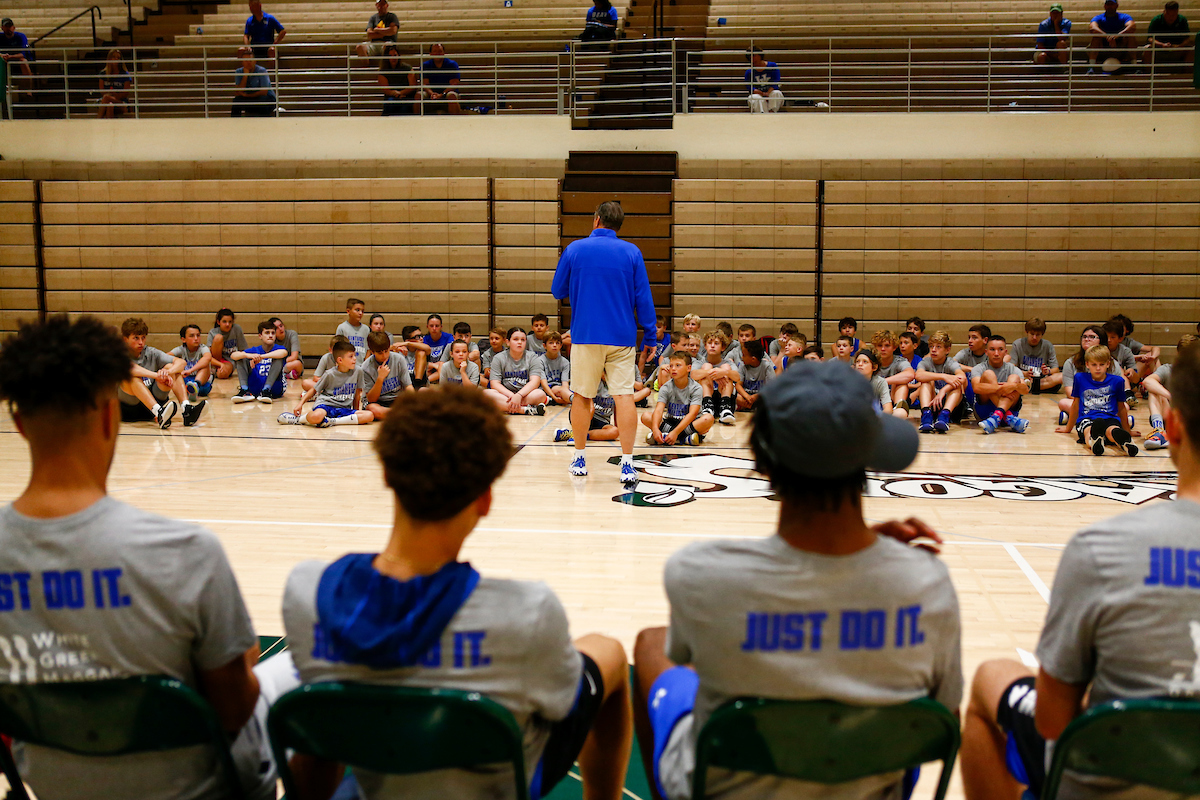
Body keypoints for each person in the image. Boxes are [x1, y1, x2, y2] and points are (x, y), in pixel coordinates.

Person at [281, 386, 632, 800]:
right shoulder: (527, 611)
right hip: (494, 781)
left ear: (388, 475)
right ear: (485, 500)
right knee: (608, 652)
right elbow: (556, 707)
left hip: (378, 766)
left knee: (329, 714)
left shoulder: (305, 591)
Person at [632, 360, 961, 800]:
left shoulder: (699, 573)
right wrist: (870, 553)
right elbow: (942, 717)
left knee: (654, 644)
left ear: (766, 464)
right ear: (871, 455)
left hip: (727, 786)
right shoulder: (927, 581)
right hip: (870, 783)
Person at [0, 314, 279, 800]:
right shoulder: (186, 553)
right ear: (112, 414)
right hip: (196, 788)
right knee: (292, 676)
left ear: (19, 422)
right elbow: (234, 710)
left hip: (51, 784)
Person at [960, 341, 1200, 800]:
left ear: (1171, 427)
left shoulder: (1101, 549)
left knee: (992, 676)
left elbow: (1053, 719)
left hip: (1115, 771)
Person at [552, 200, 657, 485]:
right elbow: (643, 298)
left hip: (585, 335)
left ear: (596, 219)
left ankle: (580, 456)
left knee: (583, 396)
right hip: (622, 337)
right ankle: (627, 463)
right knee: (623, 397)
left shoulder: (575, 249)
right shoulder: (631, 252)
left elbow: (557, 290)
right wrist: (650, 336)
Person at [117, 317, 207, 429]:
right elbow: (129, 368)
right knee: (132, 378)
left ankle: (186, 410)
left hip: (149, 409)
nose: (141, 342)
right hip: (128, 410)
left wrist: (168, 372)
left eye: (143, 338)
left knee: (172, 367)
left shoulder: (151, 352)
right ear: (125, 339)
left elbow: (181, 362)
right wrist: (157, 375)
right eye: (136, 338)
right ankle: (159, 412)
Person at [1059, 344, 1139, 456]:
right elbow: (1076, 404)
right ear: (1087, 364)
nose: (1097, 368)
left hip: (1109, 417)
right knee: (1089, 429)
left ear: (1108, 364)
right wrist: (1068, 428)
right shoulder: (1080, 378)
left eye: (1101, 364)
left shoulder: (1117, 381)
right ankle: (1096, 441)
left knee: (1112, 429)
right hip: (1087, 417)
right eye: (1094, 364)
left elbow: (1121, 408)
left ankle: (1123, 442)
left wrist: (1127, 431)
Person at [279, 340, 373, 427]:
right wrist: (300, 404)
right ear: (340, 360)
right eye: (351, 356)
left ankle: (331, 422)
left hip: (344, 408)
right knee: (316, 416)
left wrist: (355, 411)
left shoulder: (358, 371)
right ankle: (298, 419)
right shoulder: (329, 374)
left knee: (369, 415)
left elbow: (357, 393)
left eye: (355, 355)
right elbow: (314, 390)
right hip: (326, 405)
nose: (355, 359)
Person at [641, 352, 713, 446]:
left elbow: (693, 413)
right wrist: (655, 429)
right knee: (645, 416)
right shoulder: (665, 387)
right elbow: (658, 410)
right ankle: (685, 438)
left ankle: (669, 437)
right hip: (670, 422)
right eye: (671, 366)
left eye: (678, 365)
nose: (673, 369)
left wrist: (675, 432)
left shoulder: (696, 388)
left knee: (708, 418)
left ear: (688, 368)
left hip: (690, 423)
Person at [1143, 334, 1198, 449]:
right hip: (1172, 416)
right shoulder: (1168, 369)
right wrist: (1171, 396)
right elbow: (1147, 382)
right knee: (1155, 391)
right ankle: (1159, 432)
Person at [973, 335, 1032, 434]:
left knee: (1015, 378)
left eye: (1000, 349)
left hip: (1011, 408)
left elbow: (1025, 390)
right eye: (992, 349)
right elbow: (976, 387)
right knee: (988, 374)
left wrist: (1014, 386)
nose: (996, 353)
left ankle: (997, 416)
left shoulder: (1013, 369)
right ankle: (1007, 416)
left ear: (1005, 352)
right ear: (986, 352)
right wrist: (1002, 388)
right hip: (984, 411)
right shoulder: (978, 368)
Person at [483, 328, 548, 415]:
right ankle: (524, 410)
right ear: (508, 342)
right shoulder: (498, 358)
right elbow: (495, 384)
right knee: (485, 394)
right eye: (515, 339)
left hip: (525, 395)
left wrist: (519, 395)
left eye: (523, 340)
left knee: (540, 394)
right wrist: (512, 396)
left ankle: (507, 406)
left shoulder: (533, 357)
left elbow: (535, 381)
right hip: (505, 395)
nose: (520, 342)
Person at [915, 331, 968, 434]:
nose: (933, 350)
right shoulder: (925, 362)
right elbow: (918, 375)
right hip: (932, 403)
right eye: (931, 346)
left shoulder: (951, 362)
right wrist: (944, 376)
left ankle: (945, 415)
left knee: (956, 385)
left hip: (952, 406)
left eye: (938, 347)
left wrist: (943, 390)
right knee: (926, 382)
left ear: (947, 350)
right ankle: (926, 415)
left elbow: (962, 377)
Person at [230, 320, 287, 404]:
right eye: (267, 333)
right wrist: (248, 356)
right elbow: (233, 355)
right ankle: (245, 391)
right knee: (241, 357)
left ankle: (266, 390)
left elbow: (283, 352)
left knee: (278, 358)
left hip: (274, 388)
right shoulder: (254, 350)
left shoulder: (279, 348)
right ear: (260, 336)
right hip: (256, 386)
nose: (270, 335)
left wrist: (261, 357)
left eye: (273, 333)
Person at [363, 330, 414, 419]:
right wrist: (380, 378)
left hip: (397, 400)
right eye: (380, 353)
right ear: (372, 352)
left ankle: (397, 414)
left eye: (386, 351)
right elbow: (371, 399)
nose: (384, 355)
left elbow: (408, 386)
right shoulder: (365, 367)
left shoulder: (399, 359)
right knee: (373, 409)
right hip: (379, 402)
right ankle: (402, 414)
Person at [555, 374, 619, 443]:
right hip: (585, 414)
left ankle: (574, 434)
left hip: (603, 421)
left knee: (614, 432)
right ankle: (577, 434)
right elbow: (590, 407)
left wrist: (618, 428)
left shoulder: (616, 385)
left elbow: (617, 409)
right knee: (588, 409)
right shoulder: (592, 382)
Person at [694, 330, 739, 425]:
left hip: (722, 396)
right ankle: (707, 407)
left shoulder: (728, 362)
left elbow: (737, 377)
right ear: (705, 346)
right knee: (706, 367)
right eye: (710, 343)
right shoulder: (699, 362)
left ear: (723, 347)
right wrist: (711, 372)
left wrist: (724, 372)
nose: (713, 346)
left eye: (716, 343)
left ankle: (725, 409)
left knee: (726, 368)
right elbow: (693, 375)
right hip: (705, 398)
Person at [1011, 317, 1062, 394]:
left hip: (1041, 380)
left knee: (1062, 376)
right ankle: (1030, 386)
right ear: (1026, 332)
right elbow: (1011, 367)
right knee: (1012, 377)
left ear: (1042, 334)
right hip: (1024, 378)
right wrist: (1024, 373)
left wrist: (1047, 371)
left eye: (1038, 335)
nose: (1034, 337)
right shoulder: (1017, 344)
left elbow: (1056, 369)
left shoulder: (1048, 345)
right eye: (1032, 334)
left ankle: (1028, 387)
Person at [874, 330, 915, 418]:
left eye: (887, 345)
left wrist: (883, 382)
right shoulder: (870, 362)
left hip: (893, 398)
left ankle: (898, 407)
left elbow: (910, 374)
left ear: (894, 347)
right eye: (880, 346)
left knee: (902, 384)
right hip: (875, 399)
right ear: (875, 347)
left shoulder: (899, 361)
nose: (883, 349)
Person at [1087, 0, 1136, 72]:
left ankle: (1134, 66)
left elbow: (1132, 26)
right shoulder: (1099, 18)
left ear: (1116, 5)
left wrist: (1118, 36)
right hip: (1103, 47)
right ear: (1104, 6)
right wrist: (1107, 36)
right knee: (1096, 37)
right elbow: (1092, 28)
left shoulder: (1124, 16)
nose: (1110, 6)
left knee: (1130, 36)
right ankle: (1091, 67)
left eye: (1112, 4)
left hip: (1120, 47)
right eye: (1108, 4)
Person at [1143, 0, 1193, 65]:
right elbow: (1150, 38)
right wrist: (1162, 45)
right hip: (1159, 49)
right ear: (1164, 12)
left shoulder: (1182, 20)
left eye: (1173, 15)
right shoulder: (1156, 20)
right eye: (1168, 14)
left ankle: (1187, 74)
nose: (1171, 18)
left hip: (1177, 49)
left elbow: (1187, 38)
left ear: (1177, 12)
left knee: (1192, 51)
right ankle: (1148, 73)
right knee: (1147, 50)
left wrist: (1179, 46)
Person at [231, 46, 276, 117]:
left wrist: (247, 95)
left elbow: (264, 92)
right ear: (242, 62)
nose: (248, 63)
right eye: (246, 61)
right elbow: (238, 91)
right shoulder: (239, 71)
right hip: (250, 98)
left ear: (255, 61)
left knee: (263, 101)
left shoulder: (262, 71)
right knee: (237, 100)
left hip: (266, 98)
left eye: (250, 60)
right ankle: (234, 123)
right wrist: (245, 75)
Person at [173, 323, 214, 398]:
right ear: (183, 339)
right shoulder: (180, 349)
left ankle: (195, 385)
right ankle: (191, 391)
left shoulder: (203, 348)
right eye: (192, 336)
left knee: (205, 365)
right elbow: (165, 357)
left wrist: (190, 370)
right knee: (173, 367)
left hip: (202, 383)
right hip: (186, 380)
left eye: (198, 335)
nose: (196, 338)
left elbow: (207, 358)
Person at [420, 43, 461, 115]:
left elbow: (454, 84)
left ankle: (455, 122)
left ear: (443, 53)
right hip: (431, 93)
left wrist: (442, 94)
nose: (437, 53)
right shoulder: (425, 65)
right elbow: (424, 84)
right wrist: (432, 93)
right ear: (431, 53)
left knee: (452, 95)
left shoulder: (452, 64)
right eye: (435, 51)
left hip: (447, 93)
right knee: (419, 95)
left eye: (440, 51)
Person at [733, 339, 775, 410]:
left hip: (760, 396)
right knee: (733, 395)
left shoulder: (767, 366)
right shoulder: (742, 366)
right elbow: (738, 385)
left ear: (753, 359)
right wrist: (746, 396)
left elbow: (770, 388)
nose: (742, 358)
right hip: (746, 397)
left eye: (744, 355)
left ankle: (749, 406)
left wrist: (755, 397)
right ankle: (750, 406)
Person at [378, 43, 417, 115]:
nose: (393, 58)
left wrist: (401, 93)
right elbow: (386, 89)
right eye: (390, 56)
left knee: (404, 108)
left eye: (395, 55)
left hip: (406, 96)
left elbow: (413, 85)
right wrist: (395, 94)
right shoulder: (383, 71)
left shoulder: (407, 68)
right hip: (392, 96)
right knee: (390, 104)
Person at [209, 308, 247, 380]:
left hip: (229, 361)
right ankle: (214, 369)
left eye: (230, 322)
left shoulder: (237, 329)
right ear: (218, 322)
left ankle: (215, 372)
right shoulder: (213, 332)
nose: (227, 324)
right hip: (215, 361)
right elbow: (207, 356)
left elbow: (243, 350)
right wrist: (219, 364)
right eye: (224, 322)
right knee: (218, 338)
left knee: (222, 374)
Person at [854, 347, 894, 414]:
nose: (860, 364)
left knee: (900, 413)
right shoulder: (849, 381)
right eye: (858, 361)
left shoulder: (880, 382)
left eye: (865, 362)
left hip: (874, 417)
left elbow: (888, 408)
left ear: (874, 367)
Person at [744, 46, 784, 113]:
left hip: (771, 92)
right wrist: (761, 93)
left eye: (754, 56)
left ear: (760, 55)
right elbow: (750, 87)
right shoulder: (749, 72)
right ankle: (763, 115)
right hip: (759, 94)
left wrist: (768, 93)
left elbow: (776, 81)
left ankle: (772, 112)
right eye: (750, 57)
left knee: (776, 93)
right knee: (754, 97)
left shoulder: (772, 66)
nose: (752, 58)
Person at [0, 18, 33, 93]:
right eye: (6, 26)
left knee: (23, 61)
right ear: (2, 28)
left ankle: (28, 90)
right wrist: (2, 56)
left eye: (10, 26)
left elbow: (22, 54)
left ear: (13, 27)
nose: (8, 28)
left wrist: (10, 57)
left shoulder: (21, 36)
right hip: (4, 60)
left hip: (18, 59)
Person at [97, 49, 132, 118]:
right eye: (114, 57)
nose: (116, 59)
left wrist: (113, 95)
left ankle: (98, 120)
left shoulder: (125, 74)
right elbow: (102, 91)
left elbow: (125, 93)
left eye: (118, 58)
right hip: (106, 101)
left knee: (106, 98)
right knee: (110, 105)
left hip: (120, 102)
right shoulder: (103, 74)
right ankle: (110, 127)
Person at [541, 331, 573, 404]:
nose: (554, 345)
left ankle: (571, 399)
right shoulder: (539, 361)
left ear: (561, 346)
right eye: (551, 343)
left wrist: (563, 393)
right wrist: (554, 397)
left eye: (557, 343)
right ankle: (575, 401)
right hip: (546, 390)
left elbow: (565, 383)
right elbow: (544, 384)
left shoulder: (565, 362)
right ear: (544, 346)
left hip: (560, 390)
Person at [422, 313, 455, 383]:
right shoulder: (424, 339)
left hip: (445, 365)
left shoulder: (449, 337)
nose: (434, 328)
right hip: (431, 367)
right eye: (431, 326)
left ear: (441, 326)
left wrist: (439, 365)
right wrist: (433, 365)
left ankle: (426, 382)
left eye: (437, 326)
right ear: (427, 326)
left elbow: (450, 356)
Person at [336, 297, 370, 361]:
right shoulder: (342, 328)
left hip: (361, 366)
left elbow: (368, 349)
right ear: (348, 311)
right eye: (357, 310)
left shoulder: (366, 329)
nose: (360, 313)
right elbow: (338, 349)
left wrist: (365, 365)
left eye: (362, 311)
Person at [401, 324, 431, 389]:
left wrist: (408, 343)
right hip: (405, 382)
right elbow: (385, 349)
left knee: (421, 352)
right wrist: (397, 348)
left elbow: (428, 348)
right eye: (417, 337)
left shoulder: (423, 350)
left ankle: (417, 385)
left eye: (421, 336)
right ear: (408, 340)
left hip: (420, 382)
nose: (421, 338)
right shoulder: (401, 350)